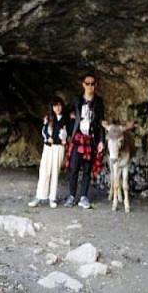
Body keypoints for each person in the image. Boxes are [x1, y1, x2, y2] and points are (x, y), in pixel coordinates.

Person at [64, 73, 105, 209]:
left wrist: (101, 140)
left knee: (87, 170)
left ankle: (83, 197)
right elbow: (65, 112)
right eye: (87, 83)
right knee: (74, 168)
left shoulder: (98, 102)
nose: (90, 86)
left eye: (92, 84)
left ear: (96, 86)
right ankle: (71, 195)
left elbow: (100, 122)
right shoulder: (77, 99)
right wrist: (71, 122)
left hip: (91, 139)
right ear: (83, 85)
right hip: (78, 138)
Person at [28, 97, 68, 208]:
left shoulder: (66, 118)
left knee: (55, 172)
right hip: (48, 147)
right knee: (44, 171)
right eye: (55, 106)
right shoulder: (48, 118)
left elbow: (68, 130)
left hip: (59, 147)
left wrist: (65, 139)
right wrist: (47, 138)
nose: (57, 108)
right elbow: (44, 130)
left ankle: (52, 198)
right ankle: (39, 196)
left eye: (59, 105)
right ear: (52, 107)